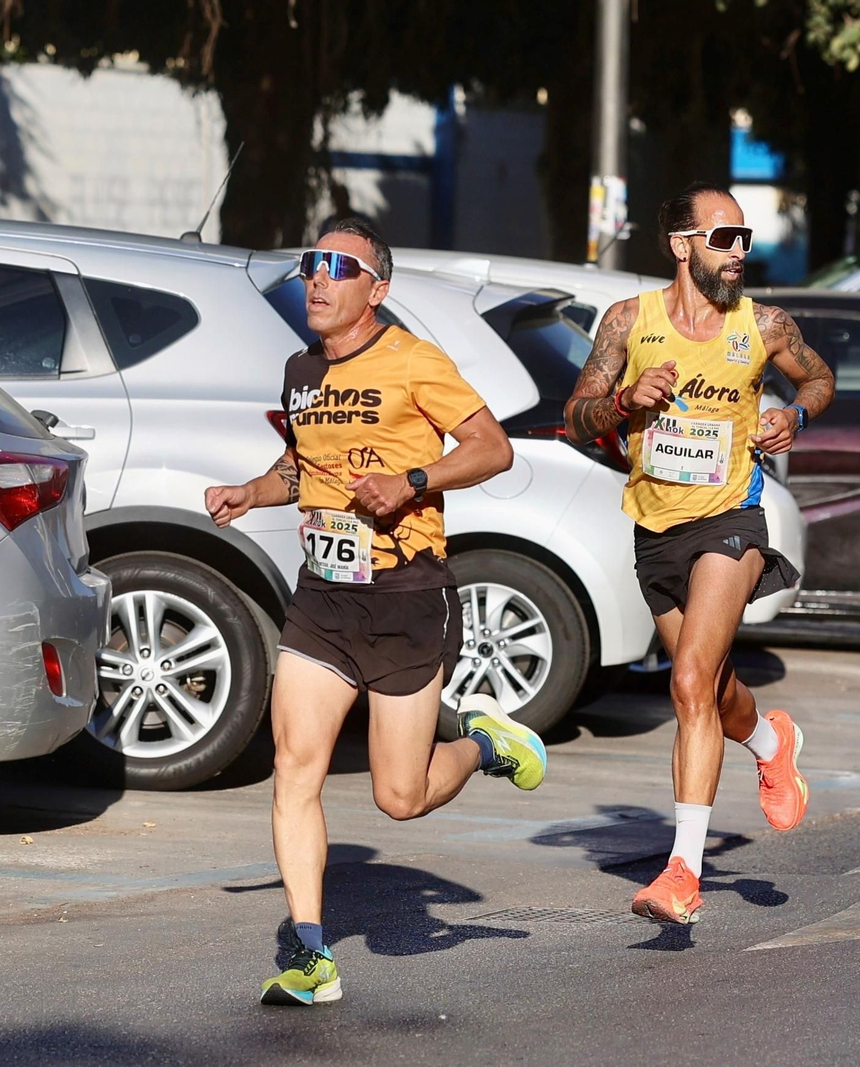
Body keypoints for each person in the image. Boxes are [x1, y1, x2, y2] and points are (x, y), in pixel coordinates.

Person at [205, 219, 548, 1005]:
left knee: (402, 796)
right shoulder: (299, 368)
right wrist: (249, 491)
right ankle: (309, 953)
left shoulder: (415, 361)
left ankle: (485, 745)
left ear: (377, 288)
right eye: (309, 265)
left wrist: (414, 481)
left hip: (405, 597)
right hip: (323, 597)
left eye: (339, 267)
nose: (318, 280)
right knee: (295, 766)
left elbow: (494, 447)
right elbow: (302, 464)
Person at [564, 181, 835, 924]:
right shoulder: (629, 322)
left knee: (687, 681)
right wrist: (624, 403)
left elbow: (819, 377)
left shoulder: (766, 325)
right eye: (724, 239)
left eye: (745, 239)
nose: (739, 252)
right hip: (656, 527)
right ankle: (771, 738)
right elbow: (578, 413)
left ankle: (683, 870)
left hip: (732, 520)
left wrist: (794, 414)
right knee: (711, 692)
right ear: (682, 245)